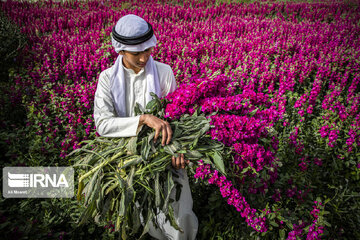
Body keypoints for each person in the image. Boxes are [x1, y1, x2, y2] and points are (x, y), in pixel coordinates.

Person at [93, 14, 198, 240]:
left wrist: (179, 150)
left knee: (178, 209)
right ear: (120, 51)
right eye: (136, 53)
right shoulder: (107, 79)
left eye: (148, 50)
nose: (144, 58)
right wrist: (142, 119)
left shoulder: (163, 72)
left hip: (165, 152)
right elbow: (103, 124)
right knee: (141, 209)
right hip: (129, 158)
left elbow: (177, 117)